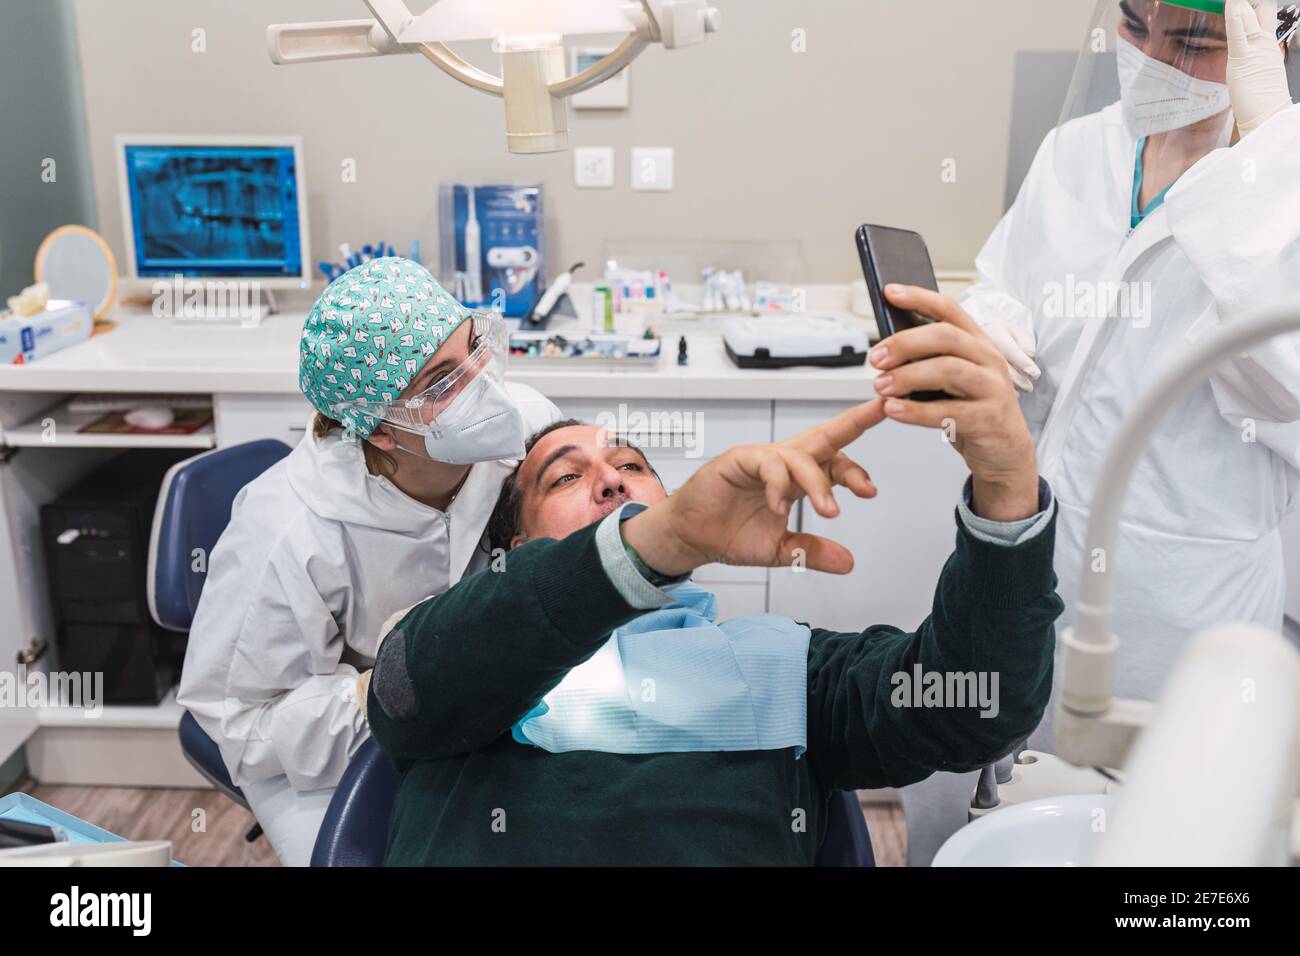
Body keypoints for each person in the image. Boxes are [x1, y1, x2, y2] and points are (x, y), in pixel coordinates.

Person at [365, 294, 1066, 865]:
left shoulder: (786, 665)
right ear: (517, 545)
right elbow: (399, 695)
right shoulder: (469, 653)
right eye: (567, 477)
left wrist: (1006, 485)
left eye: (633, 466)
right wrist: (650, 541)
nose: (610, 478)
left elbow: (978, 706)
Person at [900, 0, 1300, 864]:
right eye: (1132, 25)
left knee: (1167, 842)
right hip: (1033, 543)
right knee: (1015, 795)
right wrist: (991, 318)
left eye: (1192, 40)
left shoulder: (1288, 186)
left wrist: (1269, 172)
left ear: (1276, 37)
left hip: (1181, 590)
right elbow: (1011, 272)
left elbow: (1287, 384)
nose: (1152, 58)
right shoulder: (1079, 151)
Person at [177, 257, 559, 866]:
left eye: (475, 349)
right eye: (441, 383)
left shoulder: (523, 428)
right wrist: (389, 692)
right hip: (339, 739)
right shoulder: (288, 532)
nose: (482, 387)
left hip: (495, 702)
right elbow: (243, 727)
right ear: (380, 430)